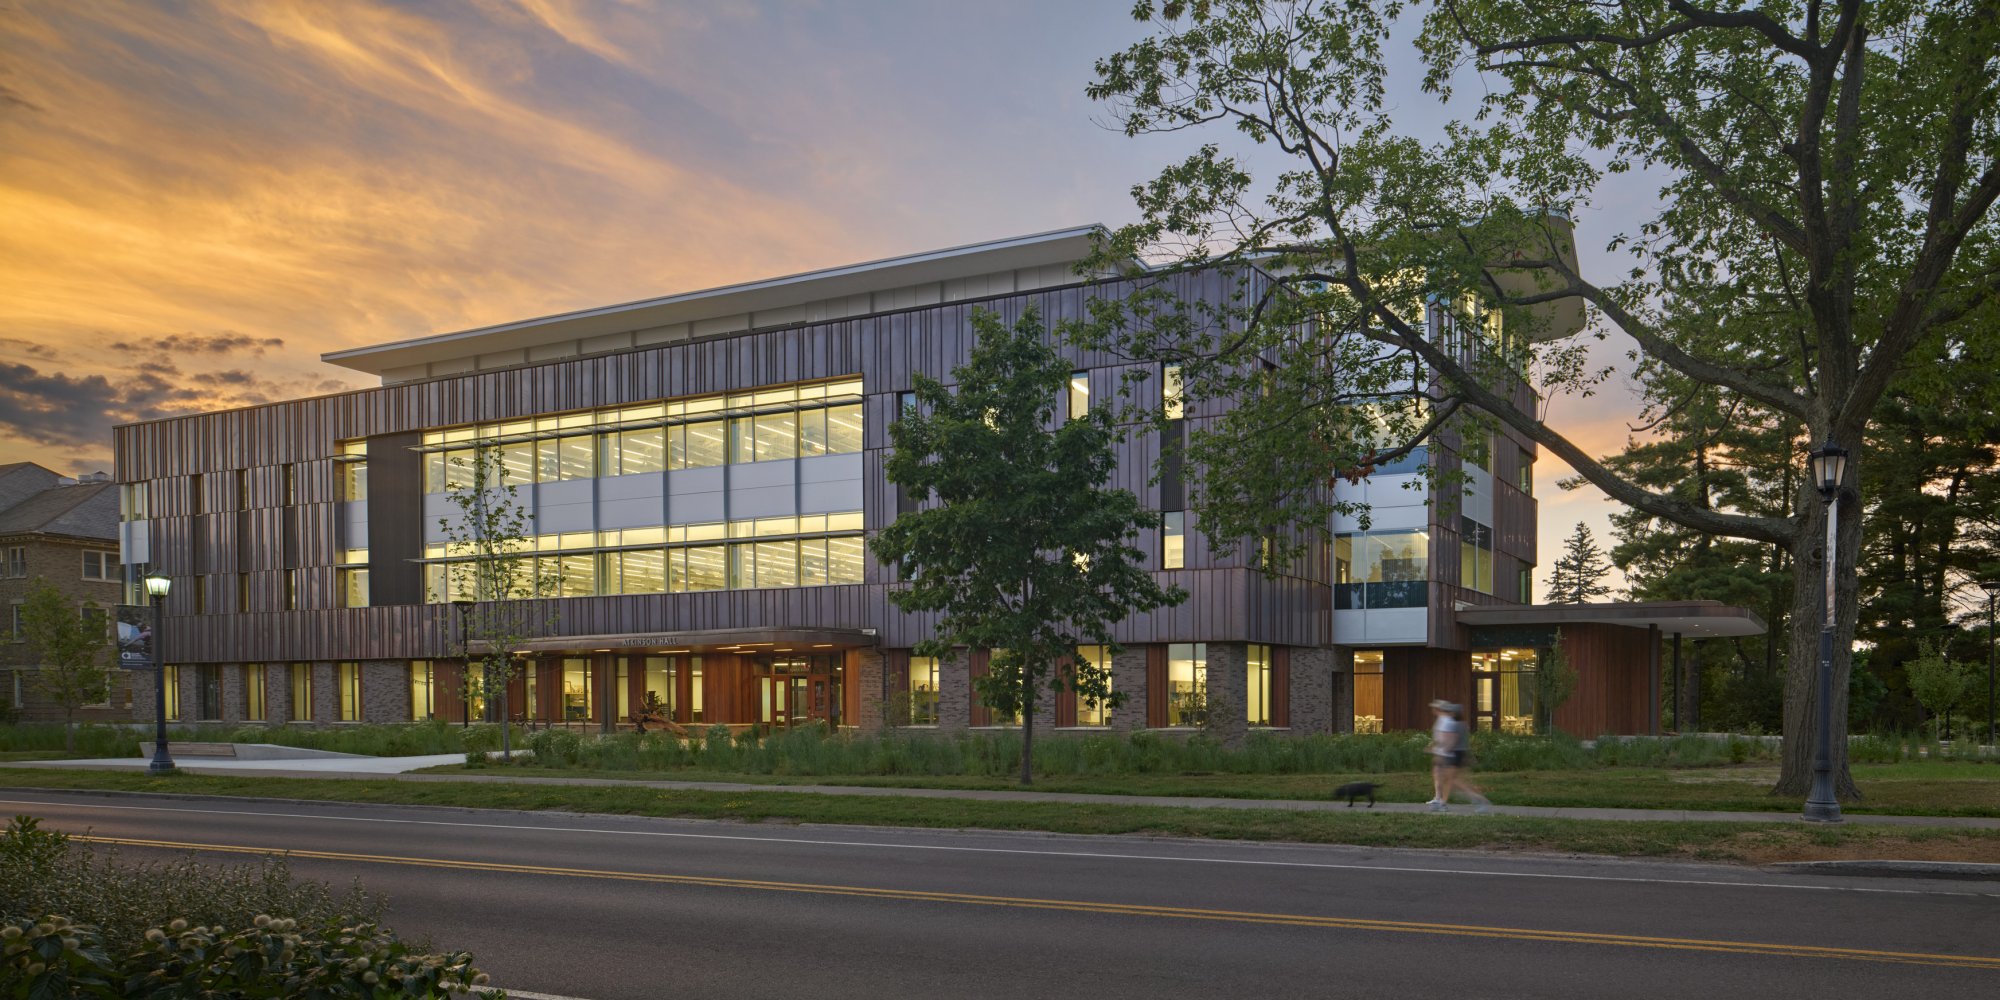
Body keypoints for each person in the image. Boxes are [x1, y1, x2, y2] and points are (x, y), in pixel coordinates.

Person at [1427, 699, 1492, 814]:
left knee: (1454, 782)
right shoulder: (1462, 724)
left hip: (1454, 754)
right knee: (1451, 781)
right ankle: (1442, 803)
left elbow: (1452, 740)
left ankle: (1479, 800)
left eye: (1450, 711)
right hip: (1458, 754)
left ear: (1453, 713)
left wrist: (1441, 751)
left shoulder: (1453, 724)